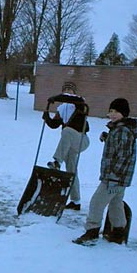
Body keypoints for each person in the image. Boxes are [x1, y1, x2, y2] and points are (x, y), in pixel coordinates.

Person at [73, 98, 137, 245]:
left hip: (114, 177)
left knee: (96, 202)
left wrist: (114, 175)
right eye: (111, 111)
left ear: (124, 113)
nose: (113, 114)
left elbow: (123, 155)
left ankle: (92, 231)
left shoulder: (122, 131)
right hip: (120, 178)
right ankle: (118, 232)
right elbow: (119, 146)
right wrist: (107, 137)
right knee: (116, 204)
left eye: (117, 112)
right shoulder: (119, 129)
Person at [42, 81, 90, 211]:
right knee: (71, 171)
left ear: (75, 92)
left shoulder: (80, 103)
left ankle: (57, 161)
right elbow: (54, 124)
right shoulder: (62, 108)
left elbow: (71, 99)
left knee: (67, 130)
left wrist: (57, 98)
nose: (68, 91)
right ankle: (76, 201)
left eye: (70, 89)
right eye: (65, 89)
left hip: (81, 139)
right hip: (69, 144)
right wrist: (47, 117)